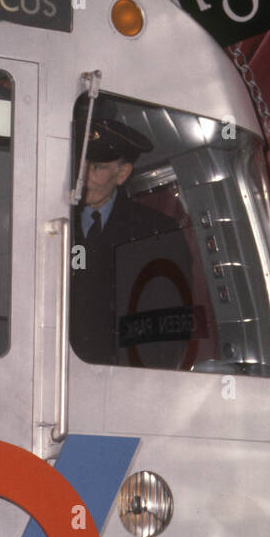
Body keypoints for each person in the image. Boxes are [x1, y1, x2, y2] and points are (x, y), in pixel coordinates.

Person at [69, 116, 194, 366]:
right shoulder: (53, 220)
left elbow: (168, 326)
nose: (82, 178)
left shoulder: (156, 233)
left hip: (123, 378)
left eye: (97, 168)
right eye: (79, 164)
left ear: (122, 173)